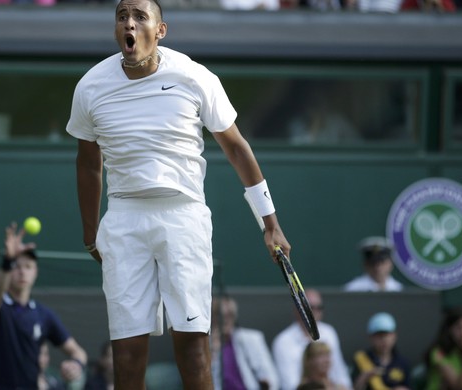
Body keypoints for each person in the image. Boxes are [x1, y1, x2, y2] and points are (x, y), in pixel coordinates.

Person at [65, 0, 291, 387]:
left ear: (161, 30)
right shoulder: (90, 86)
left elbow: (236, 148)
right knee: (127, 353)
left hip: (183, 217)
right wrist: (91, 236)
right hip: (123, 219)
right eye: (122, 18)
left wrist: (270, 224)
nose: (129, 25)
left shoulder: (194, 76)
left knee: (192, 346)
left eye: (139, 17)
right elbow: (88, 163)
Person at [0, 223, 88, 389]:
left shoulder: (44, 315)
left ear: (35, 272)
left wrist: (76, 364)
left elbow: (78, 352)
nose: (22, 272)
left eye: (28, 267)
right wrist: (8, 261)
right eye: (17, 266)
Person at [272, 288, 352, 390]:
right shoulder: (283, 342)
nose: (315, 312)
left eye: (319, 307)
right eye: (310, 307)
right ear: (298, 309)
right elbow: (289, 384)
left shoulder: (329, 332)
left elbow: (339, 371)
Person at [210, 295, 279, 390]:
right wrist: (214, 350)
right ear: (213, 317)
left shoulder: (252, 339)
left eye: (230, 315)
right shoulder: (206, 344)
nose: (226, 320)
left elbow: (271, 379)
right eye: (221, 315)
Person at [351, 312, 411, 390]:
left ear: (394, 336)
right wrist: (364, 377)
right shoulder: (361, 358)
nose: (384, 340)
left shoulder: (403, 363)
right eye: (379, 336)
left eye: (387, 335)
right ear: (371, 338)